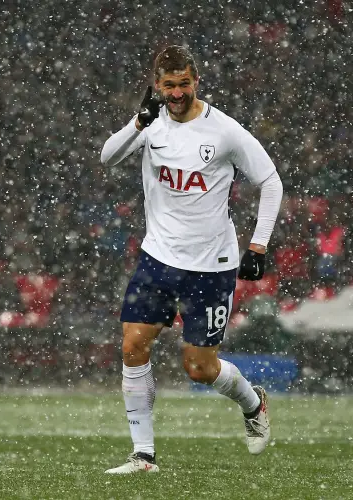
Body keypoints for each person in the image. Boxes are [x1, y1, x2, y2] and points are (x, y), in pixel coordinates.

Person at [100, 45, 283, 474]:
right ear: (157, 86)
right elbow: (107, 157)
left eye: (184, 84)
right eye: (169, 85)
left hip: (210, 265)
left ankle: (254, 404)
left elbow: (270, 180)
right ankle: (143, 455)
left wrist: (257, 245)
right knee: (132, 346)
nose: (177, 92)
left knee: (200, 369)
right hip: (158, 258)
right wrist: (137, 122)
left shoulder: (224, 131)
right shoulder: (150, 125)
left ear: (195, 80)